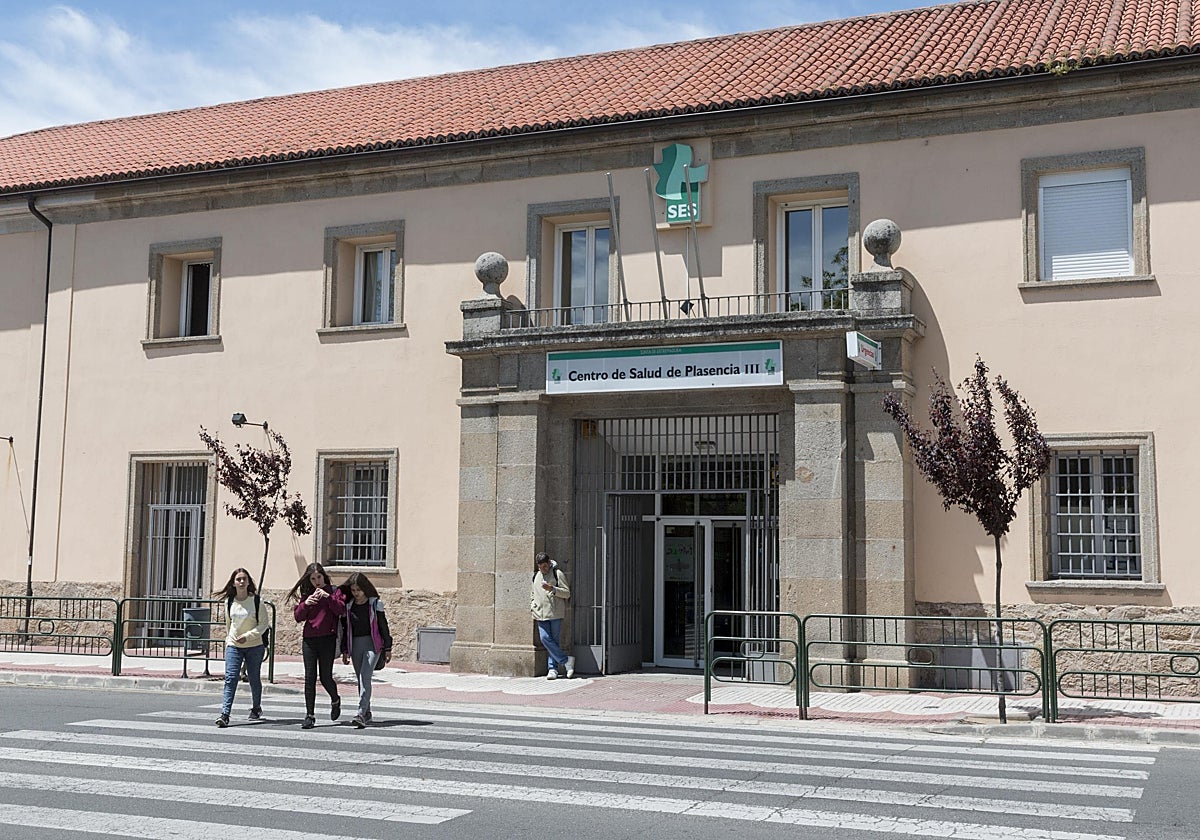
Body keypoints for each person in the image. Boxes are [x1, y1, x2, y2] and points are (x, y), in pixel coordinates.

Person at [287, 562, 346, 729]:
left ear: (324, 576)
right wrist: (306, 604)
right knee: (309, 678)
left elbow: (340, 610)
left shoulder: (334, 591)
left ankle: (335, 699)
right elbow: (298, 616)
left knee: (325, 676)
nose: (317, 582)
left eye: (319, 577)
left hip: (328, 638)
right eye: (313, 579)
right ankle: (309, 715)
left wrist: (328, 598)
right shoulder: (307, 594)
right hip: (309, 639)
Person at [213, 567, 269, 727]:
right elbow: (229, 625)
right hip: (234, 645)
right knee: (230, 678)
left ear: (249, 581)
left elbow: (263, 624)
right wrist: (231, 640)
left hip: (254, 645)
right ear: (233, 583)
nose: (242, 582)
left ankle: (256, 707)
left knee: (253, 678)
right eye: (238, 579)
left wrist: (248, 636)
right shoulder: (229, 602)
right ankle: (225, 714)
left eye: (244, 579)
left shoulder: (257, 601)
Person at [338, 572, 392, 728]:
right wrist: (345, 650)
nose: (356, 594)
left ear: (365, 589)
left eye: (359, 590)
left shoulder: (375, 604)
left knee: (364, 676)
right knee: (360, 679)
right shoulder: (348, 606)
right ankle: (367, 713)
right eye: (353, 590)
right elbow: (346, 628)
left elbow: (383, 626)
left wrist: (387, 647)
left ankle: (361, 713)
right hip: (355, 644)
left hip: (373, 643)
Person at [530, 552, 573, 679]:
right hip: (540, 613)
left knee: (553, 641)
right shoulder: (536, 576)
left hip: (555, 613)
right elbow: (533, 593)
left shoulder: (557, 574)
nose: (543, 569)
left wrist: (552, 589)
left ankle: (552, 669)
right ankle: (566, 661)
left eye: (545, 566)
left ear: (549, 563)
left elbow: (566, 593)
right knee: (545, 639)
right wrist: (532, 606)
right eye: (541, 567)